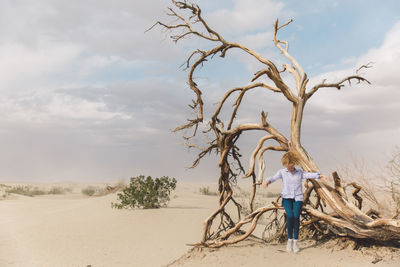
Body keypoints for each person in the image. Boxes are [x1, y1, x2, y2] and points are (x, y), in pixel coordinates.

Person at [262, 152, 330, 253]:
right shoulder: (282, 172)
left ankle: (295, 242)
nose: (289, 167)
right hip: (286, 198)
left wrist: (320, 176)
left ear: (294, 163)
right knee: (290, 216)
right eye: (287, 165)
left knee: (296, 217)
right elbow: (273, 177)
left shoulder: (299, 172)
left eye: (291, 164)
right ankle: (289, 241)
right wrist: (267, 181)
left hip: (298, 198)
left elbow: (309, 175)